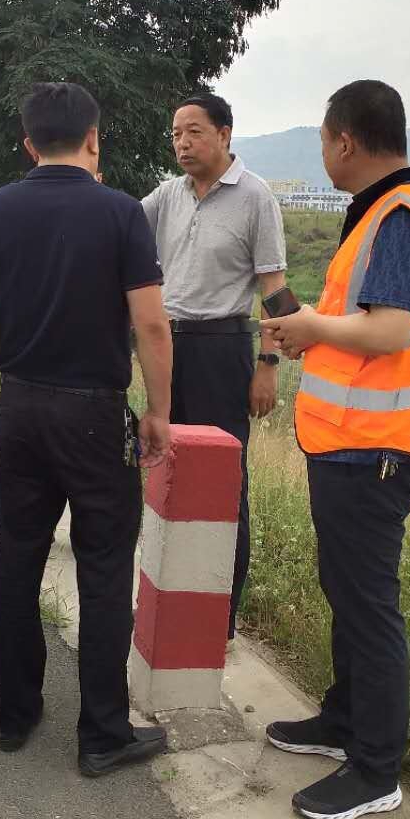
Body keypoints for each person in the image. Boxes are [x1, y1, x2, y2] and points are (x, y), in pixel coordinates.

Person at [0, 82, 173, 777]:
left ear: (28, 143)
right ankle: (102, 734)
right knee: (104, 567)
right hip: (95, 415)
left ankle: (15, 714)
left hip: (20, 409)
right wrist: (158, 412)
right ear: (93, 138)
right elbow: (152, 325)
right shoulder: (121, 213)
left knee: (17, 556)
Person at [259, 80, 410, 819]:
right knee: (346, 590)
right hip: (348, 442)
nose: (323, 154)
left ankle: (375, 768)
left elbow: (389, 331)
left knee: (368, 606)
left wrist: (311, 325)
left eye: (322, 142)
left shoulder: (400, 216)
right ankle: (343, 722)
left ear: (345, 141)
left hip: (376, 449)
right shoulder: (379, 210)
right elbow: (360, 325)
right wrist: (314, 329)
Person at [141, 92, 288, 648]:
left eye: (194, 132)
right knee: (163, 466)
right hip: (166, 346)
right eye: (176, 133)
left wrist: (268, 363)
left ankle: (219, 616)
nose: (182, 143)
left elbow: (274, 288)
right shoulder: (168, 195)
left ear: (225, 134)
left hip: (223, 349)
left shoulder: (255, 198)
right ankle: (168, 596)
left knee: (223, 481)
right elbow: (123, 227)